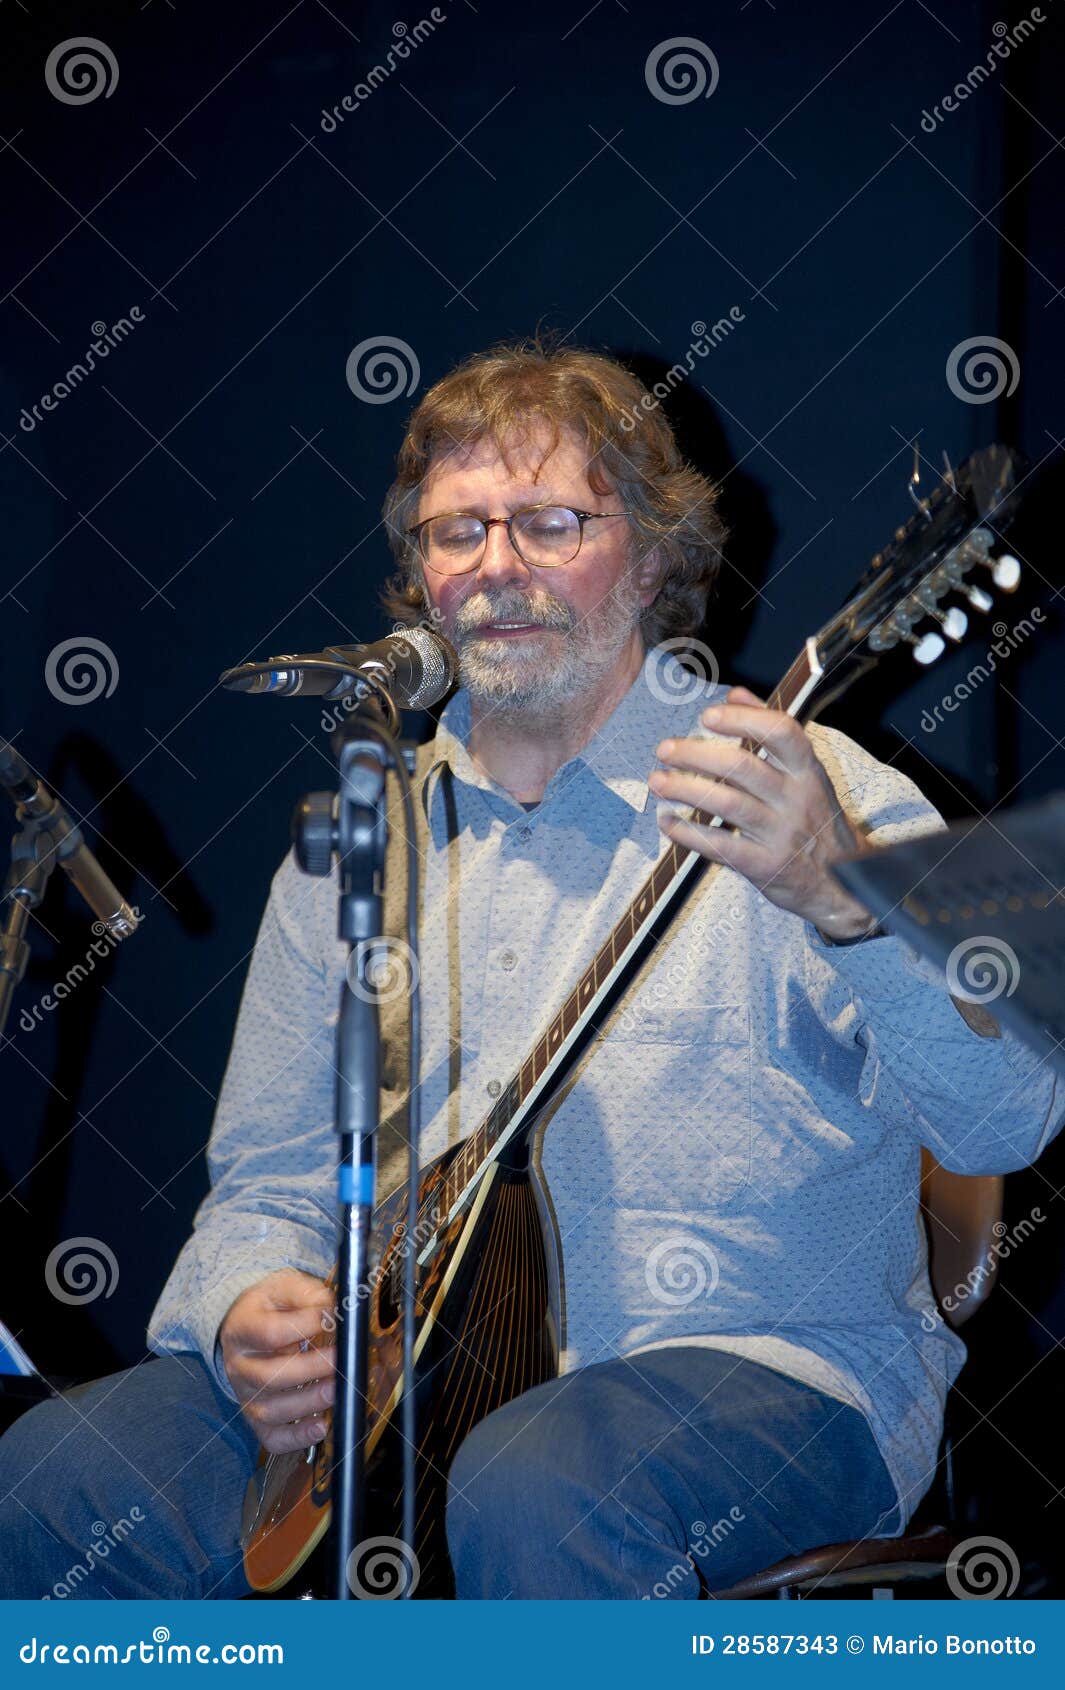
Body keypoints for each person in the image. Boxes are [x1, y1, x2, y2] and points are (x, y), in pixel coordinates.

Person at [0, 340, 1060, 1601]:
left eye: (551, 522)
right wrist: (244, 1308)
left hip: (770, 1372)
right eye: (457, 534)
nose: (498, 565)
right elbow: (267, 1181)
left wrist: (840, 898)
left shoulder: (819, 793)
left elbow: (1010, 1110)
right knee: (56, 1471)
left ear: (658, 556)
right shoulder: (358, 841)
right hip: (392, 1401)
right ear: (420, 584)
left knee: (537, 1475)